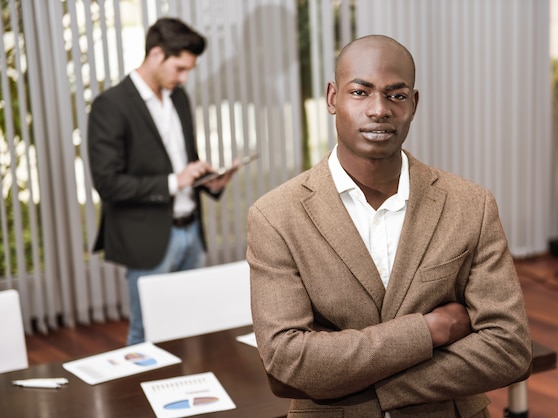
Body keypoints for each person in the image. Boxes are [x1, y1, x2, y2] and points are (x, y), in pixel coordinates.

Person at [247, 35, 532, 417]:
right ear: (333, 98)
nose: (379, 109)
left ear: (413, 104)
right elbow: (290, 362)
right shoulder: (275, 216)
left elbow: (509, 349)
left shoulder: (471, 204)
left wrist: (352, 385)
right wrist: (432, 330)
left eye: (396, 96)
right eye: (361, 92)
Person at [88, 17, 237, 346]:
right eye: (180, 68)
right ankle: (141, 399)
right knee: (146, 334)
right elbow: (107, 183)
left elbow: (185, 163)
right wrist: (174, 181)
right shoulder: (110, 106)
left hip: (191, 233)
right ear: (156, 54)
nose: (184, 78)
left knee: (190, 328)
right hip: (149, 239)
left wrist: (209, 181)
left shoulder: (178, 97)